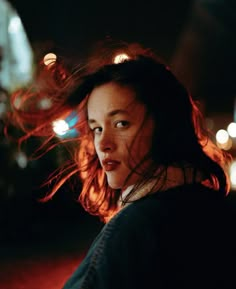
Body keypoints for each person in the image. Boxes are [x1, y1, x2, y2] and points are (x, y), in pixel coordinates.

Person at [9, 44, 236, 289]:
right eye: (97, 128)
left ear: (166, 126)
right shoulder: (217, 208)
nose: (103, 144)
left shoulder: (137, 225)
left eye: (120, 124)